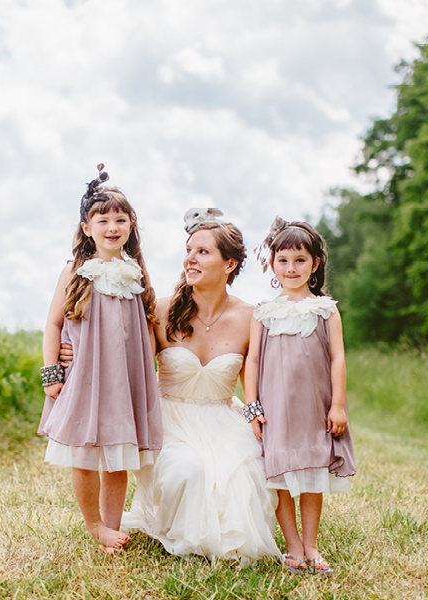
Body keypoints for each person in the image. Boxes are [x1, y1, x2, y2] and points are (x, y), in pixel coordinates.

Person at [119, 210, 280, 565]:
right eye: (189, 249)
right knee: (186, 470)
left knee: (245, 477)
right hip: (170, 418)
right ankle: (185, 534)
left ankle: (225, 538)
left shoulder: (251, 317)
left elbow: (255, 380)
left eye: (202, 252)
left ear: (229, 264)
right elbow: (132, 363)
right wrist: (69, 350)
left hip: (223, 418)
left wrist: (259, 419)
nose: (189, 258)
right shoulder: (161, 310)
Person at [38, 164, 162, 554]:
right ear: (86, 228)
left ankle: (113, 526)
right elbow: (53, 324)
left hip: (124, 379)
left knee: (119, 457)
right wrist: (52, 373)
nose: (112, 226)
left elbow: (147, 326)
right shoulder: (76, 271)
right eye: (102, 218)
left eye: (120, 219)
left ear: (131, 227)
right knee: (85, 454)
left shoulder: (135, 272)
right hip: (85, 376)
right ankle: (93, 525)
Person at [244, 217, 356, 575]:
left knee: (310, 478)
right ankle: (291, 545)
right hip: (276, 410)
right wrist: (252, 408)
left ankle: (311, 545)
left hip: (314, 407)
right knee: (280, 479)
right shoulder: (263, 312)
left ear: (315, 264)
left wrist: (337, 404)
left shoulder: (326, 309)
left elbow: (338, 357)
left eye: (300, 260)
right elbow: (253, 361)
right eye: (283, 260)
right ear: (272, 264)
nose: (291, 268)